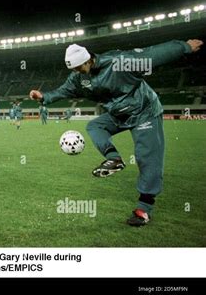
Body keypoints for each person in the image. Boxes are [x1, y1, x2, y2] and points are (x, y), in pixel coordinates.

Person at [30, 39, 203, 226]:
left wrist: (183, 47)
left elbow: (151, 54)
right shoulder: (79, 78)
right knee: (95, 126)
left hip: (144, 112)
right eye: (74, 69)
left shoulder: (118, 62)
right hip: (118, 114)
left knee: (147, 158)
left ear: (88, 60)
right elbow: (63, 91)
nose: (77, 72)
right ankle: (114, 159)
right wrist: (44, 97)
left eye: (80, 67)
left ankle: (143, 210)